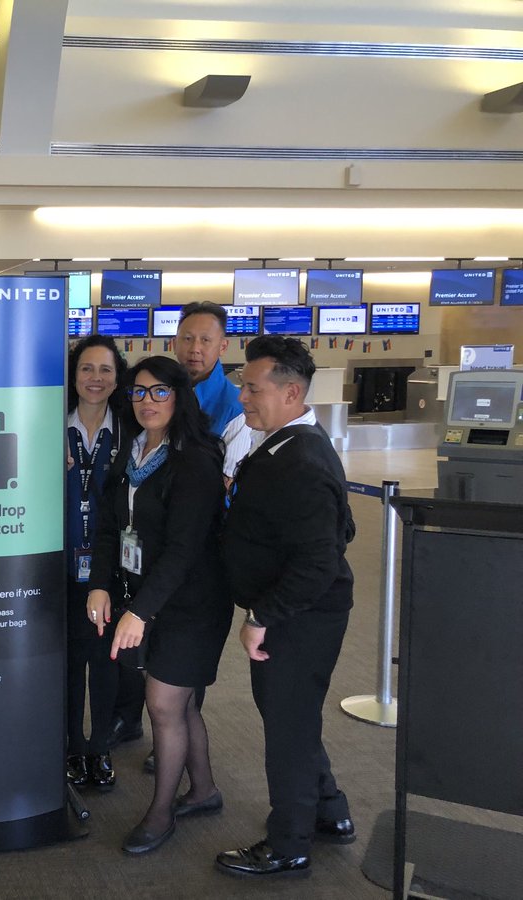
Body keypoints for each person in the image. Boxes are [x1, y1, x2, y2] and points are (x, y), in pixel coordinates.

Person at [215, 335, 356, 878]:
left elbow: (318, 560)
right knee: (293, 717)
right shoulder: (284, 443)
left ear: (291, 392)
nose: (243, 397)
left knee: (288, 729)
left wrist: (262, 617)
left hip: (298, 617)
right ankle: (329, 810)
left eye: (252, 388)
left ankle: (288, 844)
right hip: (293, 610)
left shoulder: (300, 458)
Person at [87, 356, 232, 855]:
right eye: (138, 392)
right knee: (182, 702)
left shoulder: (195, 458)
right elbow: (109, 525)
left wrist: (140, 612)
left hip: (192, 601)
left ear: (179, 397)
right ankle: (205, 791)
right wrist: (101, 584)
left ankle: (161, 812)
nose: (147, 402)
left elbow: (184, 549)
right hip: (147, 592)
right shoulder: (132, 448)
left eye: (159, 392)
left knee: (163, 705)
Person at [63, 335, 139, 792]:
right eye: (87, 369)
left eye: (105, 370)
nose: (95, 379)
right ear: (73, 376)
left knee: (107, 660)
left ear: (117, 378)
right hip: (60, 564)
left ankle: (100, 746)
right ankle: (74, 746)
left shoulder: (131, 431)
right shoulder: (49, 426)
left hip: (110, 567)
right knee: (70, 660)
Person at [174, 301, 252, 479]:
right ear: (174, 343)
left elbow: (229, 482)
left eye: (205, 340)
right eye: (187, 339)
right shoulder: (159, 393)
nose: (195, 349)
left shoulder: (236, 409)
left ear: (223, 347)